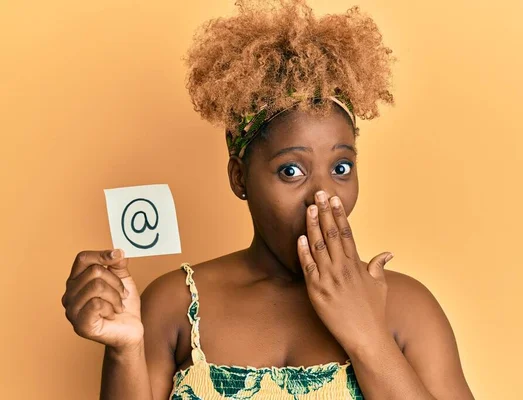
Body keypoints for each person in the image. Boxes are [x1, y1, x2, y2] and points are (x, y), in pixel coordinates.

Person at [62, 0, 475, 398]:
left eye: (342, 168)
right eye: (291, 171)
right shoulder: (174, 304)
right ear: (239, 178)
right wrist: (124, 350)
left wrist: (367, 334)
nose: (323, 196)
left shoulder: (407, 307)